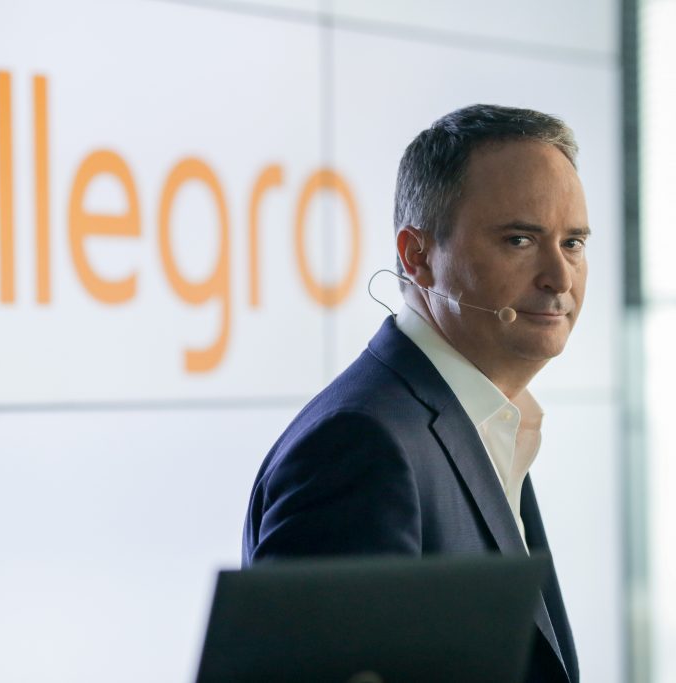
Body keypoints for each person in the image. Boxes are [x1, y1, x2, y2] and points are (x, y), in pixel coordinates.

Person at [242, 104, 588, 683]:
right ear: (418, 256)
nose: (560, 276)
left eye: (573, 242)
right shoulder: (360, 444)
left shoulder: (487, 422)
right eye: (520, 239)